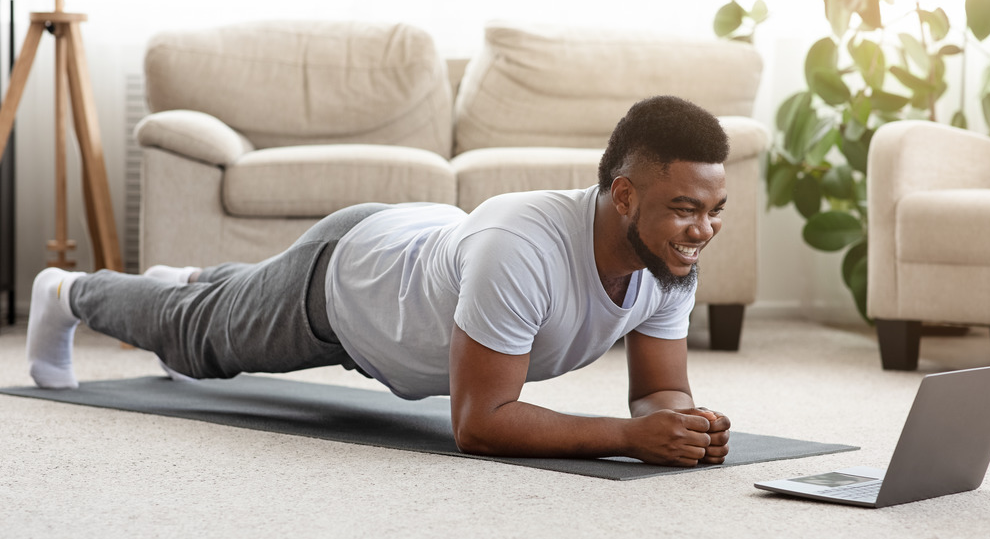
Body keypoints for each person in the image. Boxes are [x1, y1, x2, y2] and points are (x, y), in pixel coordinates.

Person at [26, 95, 731, 467]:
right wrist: (629, 437)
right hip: (346, 286)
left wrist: (681, 423)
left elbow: (656, 390)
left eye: (714, 211)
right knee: (194, 342)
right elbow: (479, 423)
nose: (701, 229)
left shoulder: (667, 260)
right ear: (626, 195)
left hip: (415, 250)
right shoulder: (524, 246)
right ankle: (66, 292)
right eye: (685, 208)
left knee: (217, 302)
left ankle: (195, 280)